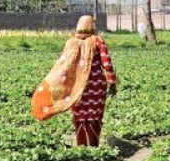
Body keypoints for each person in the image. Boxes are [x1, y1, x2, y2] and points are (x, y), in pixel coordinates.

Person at [31, 15, 117, 147]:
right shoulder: (97, 41)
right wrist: (111, 82)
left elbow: (64, 64)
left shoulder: (71, 42)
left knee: (80, 115)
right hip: (97, 86)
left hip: (78, 87)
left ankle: (82, 145)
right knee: (95, 115)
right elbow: (107, 63)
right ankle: (93, 144)